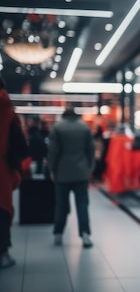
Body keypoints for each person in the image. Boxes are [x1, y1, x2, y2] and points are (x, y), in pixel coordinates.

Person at [47, 106, 96, 248]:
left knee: (61, 204)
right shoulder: (84, 127)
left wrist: (51, 168)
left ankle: (58, 233)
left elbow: (53, 151)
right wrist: (90, 167)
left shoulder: (57, 127)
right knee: (82, 204)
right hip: (81, 172)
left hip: (62, 173)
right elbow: (91, 150)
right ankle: (85, 234)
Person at [0, 76, 28, 269]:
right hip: (1, 168)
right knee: (1, 209)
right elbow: (19, 144)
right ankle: (3, 253)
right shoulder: (7, 109)